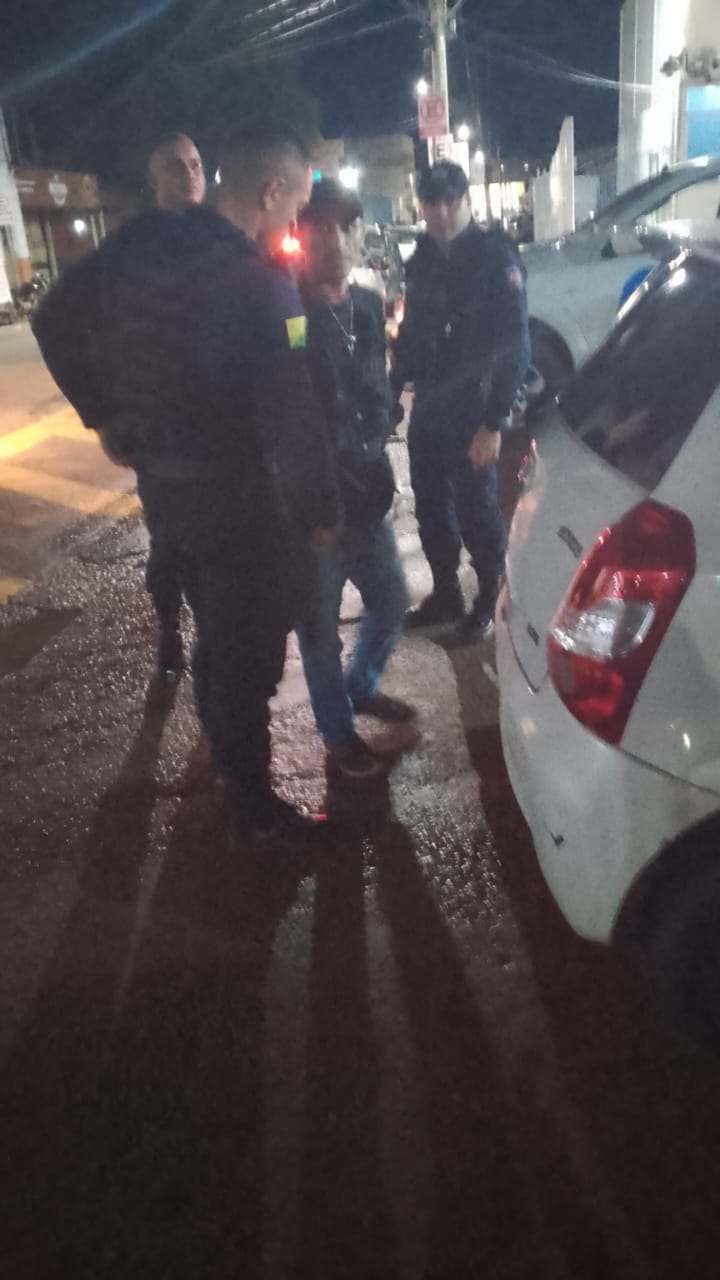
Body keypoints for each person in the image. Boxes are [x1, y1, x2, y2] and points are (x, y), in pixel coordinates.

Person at [32, 124, 338, 840]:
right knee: (249, 657)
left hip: (166, 494)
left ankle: (229, 768)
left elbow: (52, 320)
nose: (294, 223)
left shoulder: (135, 246)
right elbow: (292, 416)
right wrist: (321, 514)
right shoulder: (261, 281)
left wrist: (103, 415)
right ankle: (253, 812)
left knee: (216, 638)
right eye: (294, 207)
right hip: (238, 502)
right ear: (270, 193)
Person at [295, 180, 412, 780]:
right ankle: (338, 736)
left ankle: (360, 684)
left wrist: (383, 422)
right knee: (318, 627)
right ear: (301, 235)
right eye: (321, 229)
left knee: (391, 600)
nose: (335, 242)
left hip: (367, 493)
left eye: (347, 228)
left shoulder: (367, 304)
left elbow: (378, 379)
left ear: (362, 234)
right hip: (313, 509)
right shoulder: (288, 313)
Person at [392, 161, 530, 636]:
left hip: (475, 408)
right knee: (431, 506)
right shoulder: (423, 260)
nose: (443, 213)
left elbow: (516, 342)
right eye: (432, 203)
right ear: (422, 207)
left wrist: (494, 422)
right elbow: (412, 333)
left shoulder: (495, 257)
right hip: (431, 404)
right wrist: (392, 389)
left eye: (452, 202)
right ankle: (445, 593)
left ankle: (490, 599)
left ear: (467, 201)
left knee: (477, 511)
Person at [139, 133, 208, 677]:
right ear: (153, 180)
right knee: (167, 547)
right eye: (175, 166)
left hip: (220, 441)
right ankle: (169, 630)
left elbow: (278, 318)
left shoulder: (223, 239)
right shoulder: (135, 254)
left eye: (196, 165)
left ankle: (214, 639)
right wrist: (106, 417)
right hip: (162, 444)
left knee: (221, 550)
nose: (189, 175)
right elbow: (74, 332)